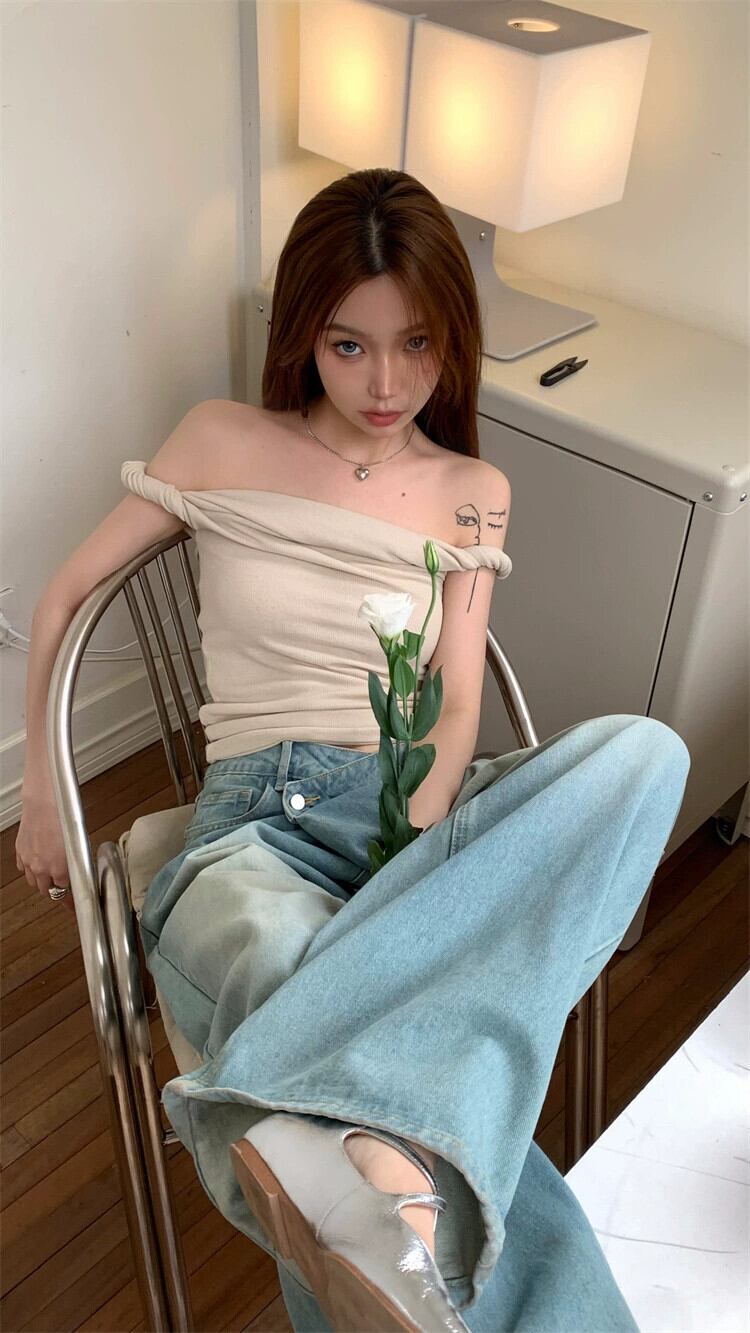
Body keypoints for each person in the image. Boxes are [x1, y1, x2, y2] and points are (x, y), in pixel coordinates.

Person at [16, 167, 691, 1332]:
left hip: (405, 811)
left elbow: (459, 697)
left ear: (454, 337)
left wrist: (413, 845)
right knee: (292, 986)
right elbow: (66, 596)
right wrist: (42, 789)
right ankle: (404, 1191)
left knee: (645, 757)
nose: (386, 385)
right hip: (254, 827)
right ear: (303, 335)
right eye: (348, 346)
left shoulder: (472, 490)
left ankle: (361, 1160)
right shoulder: (220, 437)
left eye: (417, 343)